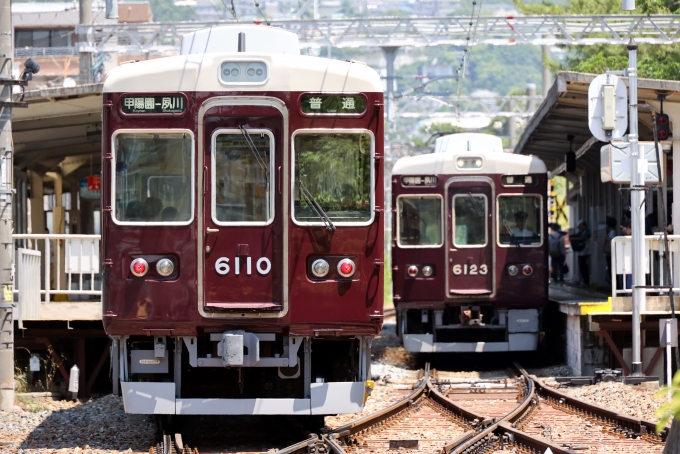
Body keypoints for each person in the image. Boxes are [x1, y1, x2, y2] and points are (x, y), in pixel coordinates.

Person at [573, 219, 591, 286]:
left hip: (584, 251)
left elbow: (582, 238)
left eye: (580, 226)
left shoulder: (586, 231)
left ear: (582, 224)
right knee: (582, 267)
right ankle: (585, 280)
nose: (579, 228)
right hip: (582, 251)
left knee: (583, 266)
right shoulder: (583, 231)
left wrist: (573, 238)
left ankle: (586, 281)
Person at [604, 217, 617, 284]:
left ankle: (615, 286)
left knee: (611, 270)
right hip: (610, 254)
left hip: (610, 254)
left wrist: (607, 238)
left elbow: (611, 241)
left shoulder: (612, 232)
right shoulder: (613, 232)